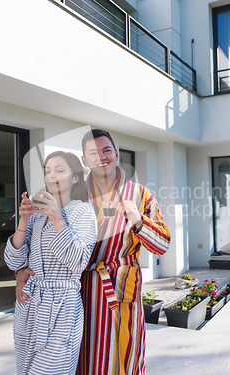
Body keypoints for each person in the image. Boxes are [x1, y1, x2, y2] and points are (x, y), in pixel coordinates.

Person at [76, 129, 170, 375]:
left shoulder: (140, 195)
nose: (101, 157)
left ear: (116, 154)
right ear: (85, 160)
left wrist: (138, 221)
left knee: (121, 358)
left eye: (106, 150)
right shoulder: (72, 196)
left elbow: (162, 245)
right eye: (93, 153)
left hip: (119, 290)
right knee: (79, 359)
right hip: (79, 292)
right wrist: (24, 270)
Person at [5, 151, 97, 375]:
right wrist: (23, 221)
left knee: (49, 371)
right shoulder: (36, 216)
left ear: (76, 177)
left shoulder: (83, 212)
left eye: (60, 170)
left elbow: (78, 262)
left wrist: (57, 218)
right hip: (29, 305)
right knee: (25, 370)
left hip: (62, 307)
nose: (51, 176)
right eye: (47, 171)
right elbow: (14, 261)